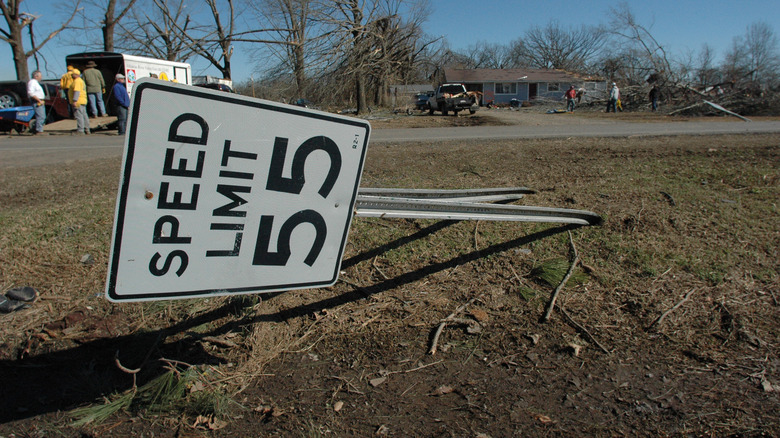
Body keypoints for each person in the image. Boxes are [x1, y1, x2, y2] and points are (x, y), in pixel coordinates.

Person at [68, 69, 90, 134]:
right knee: (84, 115)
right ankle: (87, 129)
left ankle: (80, 130)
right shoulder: (81, 81)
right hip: (83, 100)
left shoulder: (77, 81)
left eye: (72, 74)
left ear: (76, 75)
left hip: (78, 101)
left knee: (79, 116)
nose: (71, 75)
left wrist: (74, 100)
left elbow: (77, 91)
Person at [26, 70, 46, 135]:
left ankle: (36, 129)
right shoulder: (32, 82)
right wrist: (39, 100)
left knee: (42, 116)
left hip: (40, 100)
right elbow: (30, 93)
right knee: (40, 116)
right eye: (40, 76)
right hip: (37, 101)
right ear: (36, 76)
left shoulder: (36, 83)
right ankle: (39, 130)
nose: (41, 77)